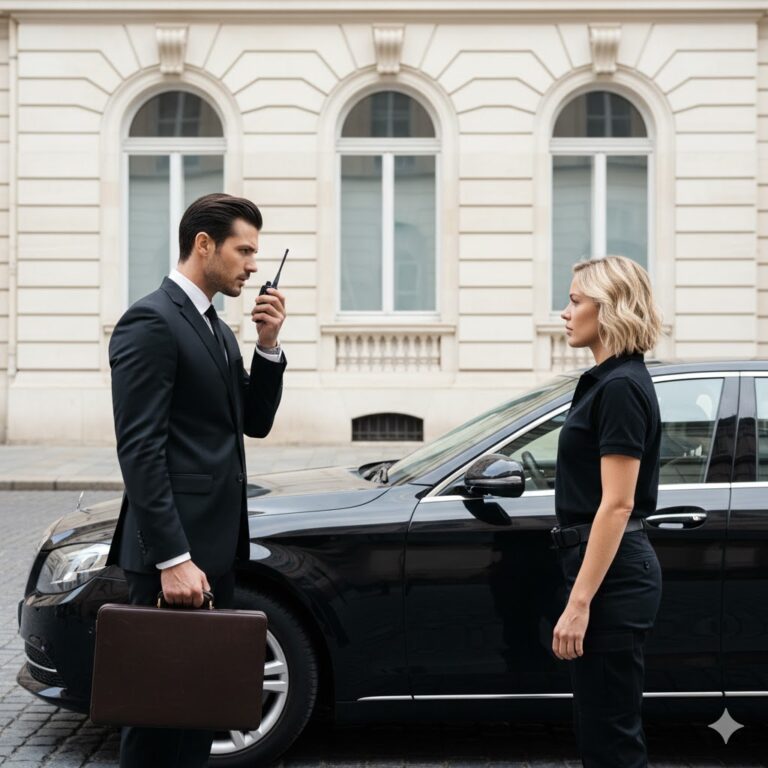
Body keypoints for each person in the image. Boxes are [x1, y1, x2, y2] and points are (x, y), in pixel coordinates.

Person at [107, 192, 287, 768]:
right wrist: (171, 558)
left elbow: (251, 423)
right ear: (203, 245)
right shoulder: (150, 320)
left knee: (197, 722)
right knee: (159, 727)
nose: (253, 265)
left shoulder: (216, 328)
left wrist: (268, 346)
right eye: (245, 250)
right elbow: (140, 449)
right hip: (176, 562)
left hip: (214, 554)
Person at [551, 254, 663, 767]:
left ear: (610, 308)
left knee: (612, 740)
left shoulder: (620, 387)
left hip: (614, 578)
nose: (565, 313)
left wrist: (579, 603)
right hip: (606, 571)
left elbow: (616, 504)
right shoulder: (608, 380)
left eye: (575, 301)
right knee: (600, 732)